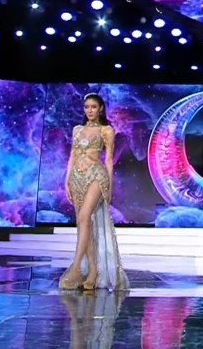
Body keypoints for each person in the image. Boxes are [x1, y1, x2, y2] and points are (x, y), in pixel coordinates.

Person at [59, 93, 129, 292]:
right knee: (84, 223)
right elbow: (72, 156)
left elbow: (108, 160)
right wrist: (67, 181)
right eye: (87, 107)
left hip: (96, 176)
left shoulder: (106, 130)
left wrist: (110, 187)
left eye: (93, 107)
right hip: (76, 177)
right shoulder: (77, 130)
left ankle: (76, 267)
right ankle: (92, 271)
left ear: (101, 109)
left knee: (84, 217)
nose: (89, 110)